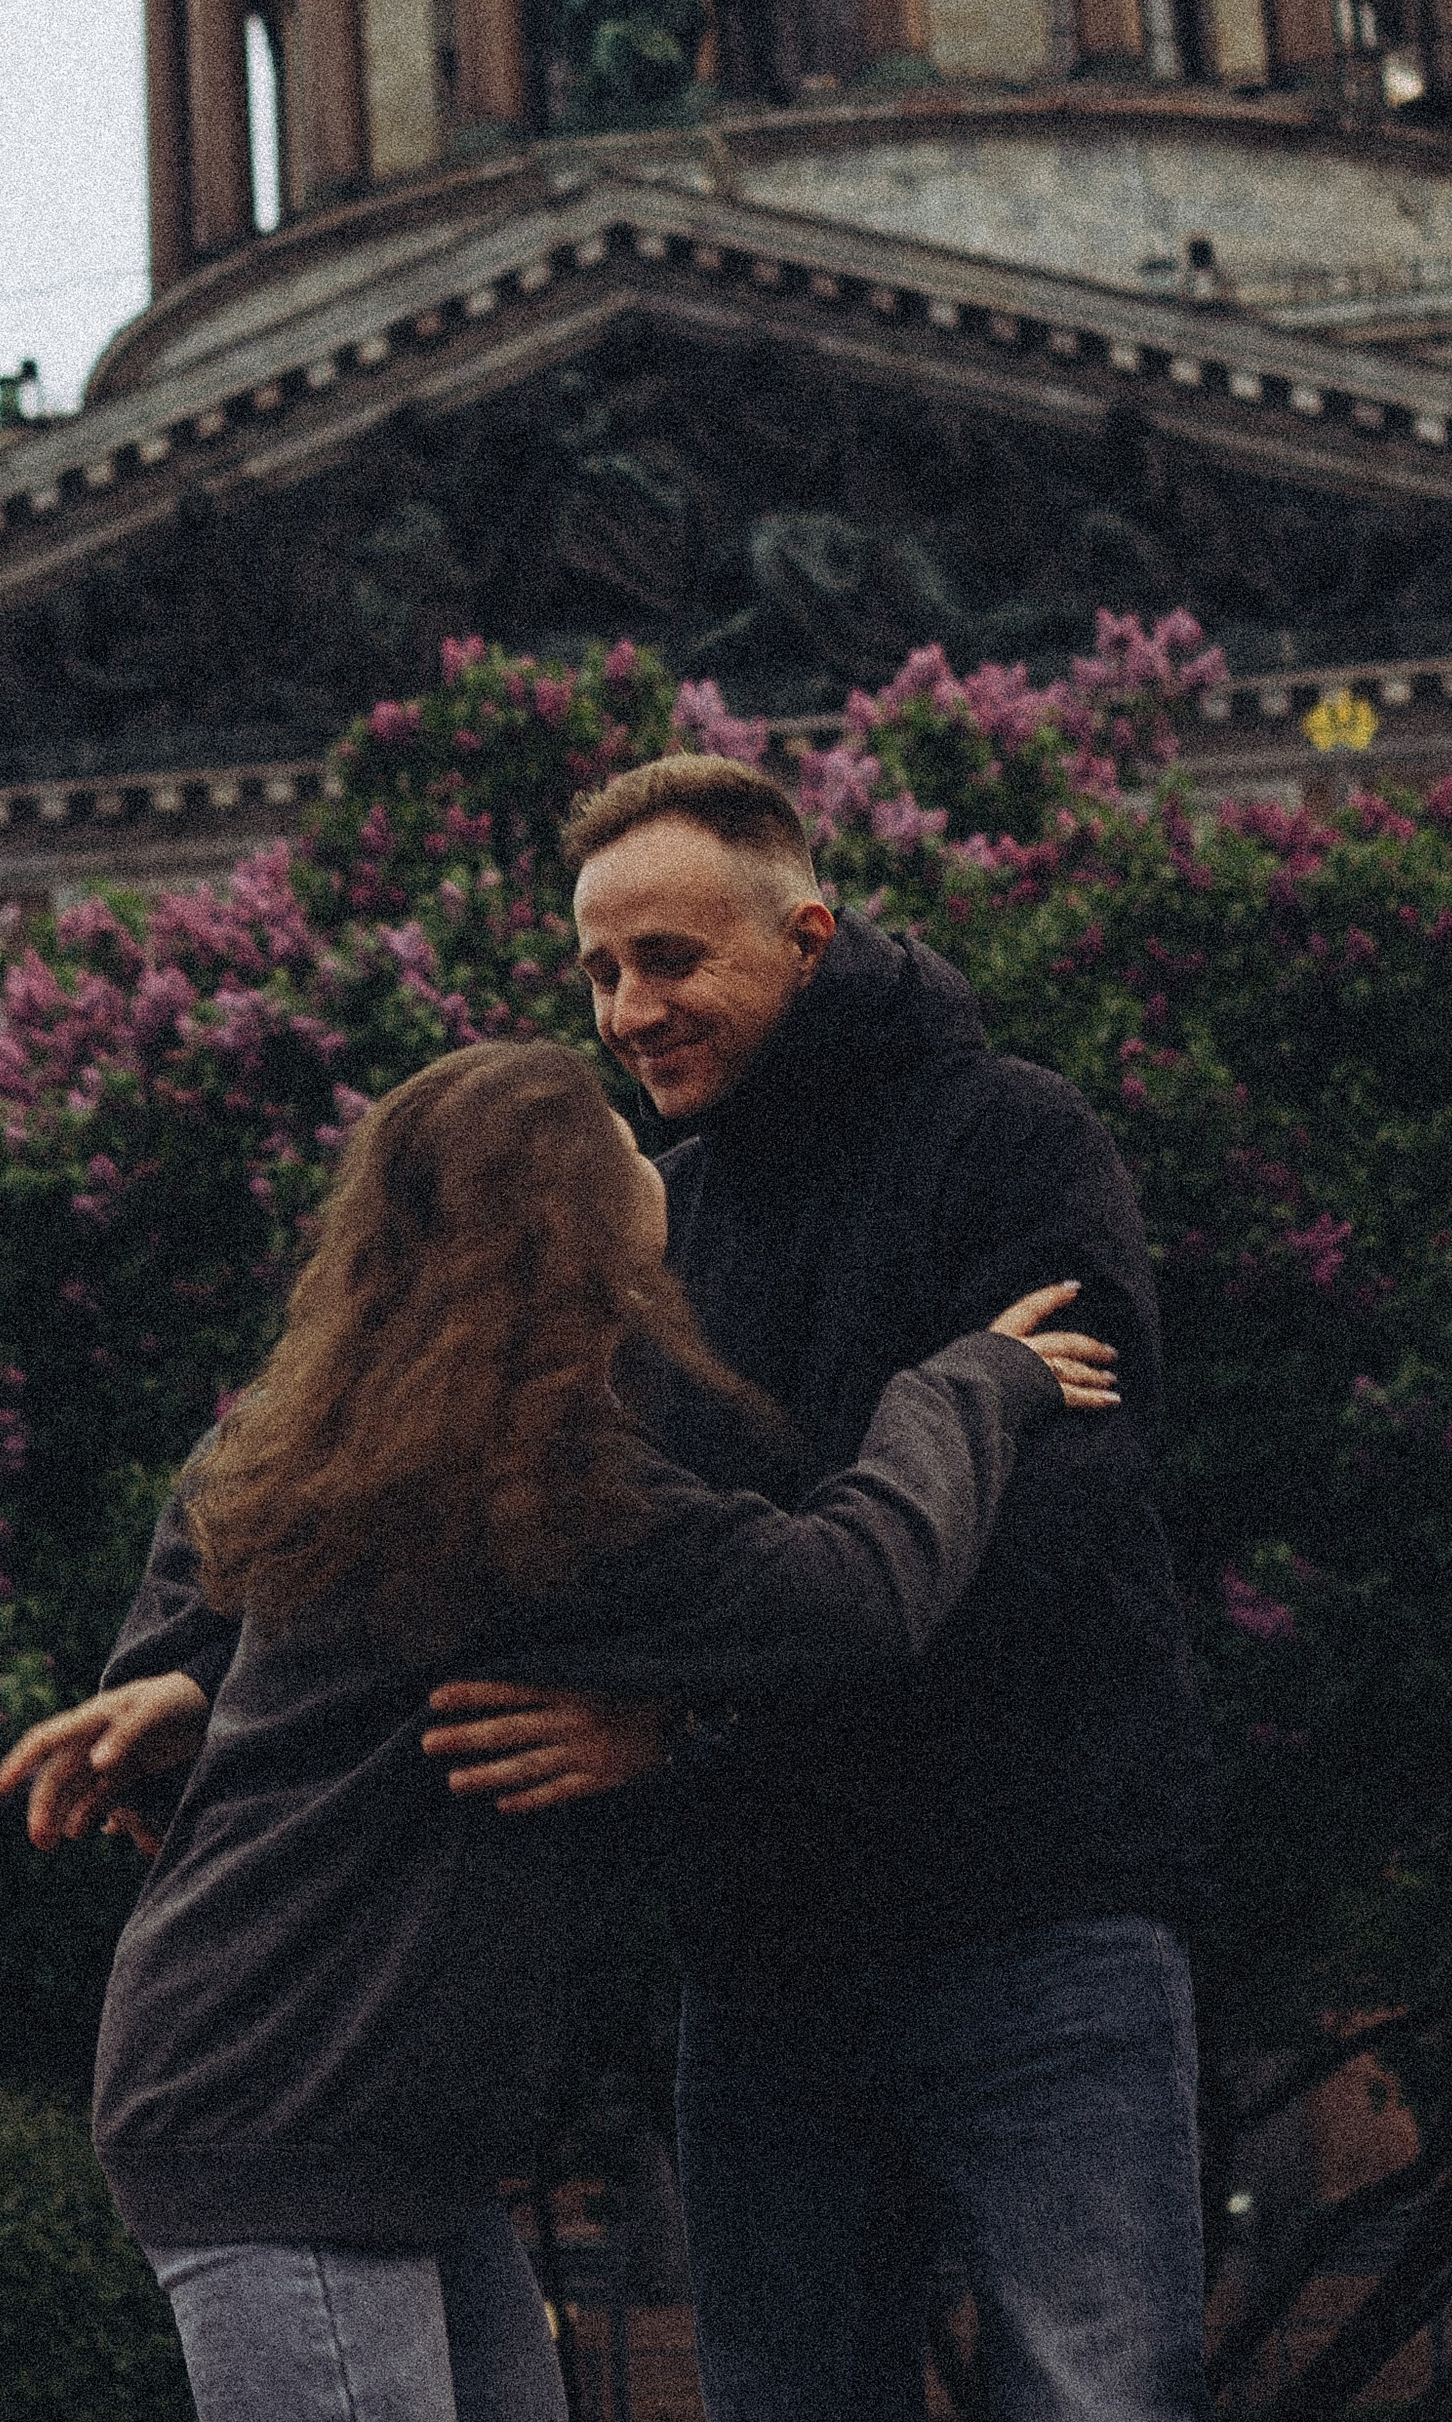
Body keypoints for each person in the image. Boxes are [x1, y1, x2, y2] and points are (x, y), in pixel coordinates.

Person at [0, 1035, 1117, 2422]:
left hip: (365, 2125)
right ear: (571, 1214)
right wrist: (967, 1386)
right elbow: (857, 1592)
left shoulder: (363, 1430)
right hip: (290, 2120)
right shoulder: (545, 1494)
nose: (642, 1134)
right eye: (608, 1127)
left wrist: (190, 1685)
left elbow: (218, 1566)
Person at [422, 754, 1216, 2422]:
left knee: (1101, 2397)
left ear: (807, 936)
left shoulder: (1012, 1137)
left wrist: (692, 1725)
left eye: (669, 960)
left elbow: (1048, 1529)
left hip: (1035, 1911)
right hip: (770, 1956)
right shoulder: (671, 1214)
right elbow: (544, 1523)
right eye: (598, 972)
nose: (628, 1011)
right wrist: (204, 1676)